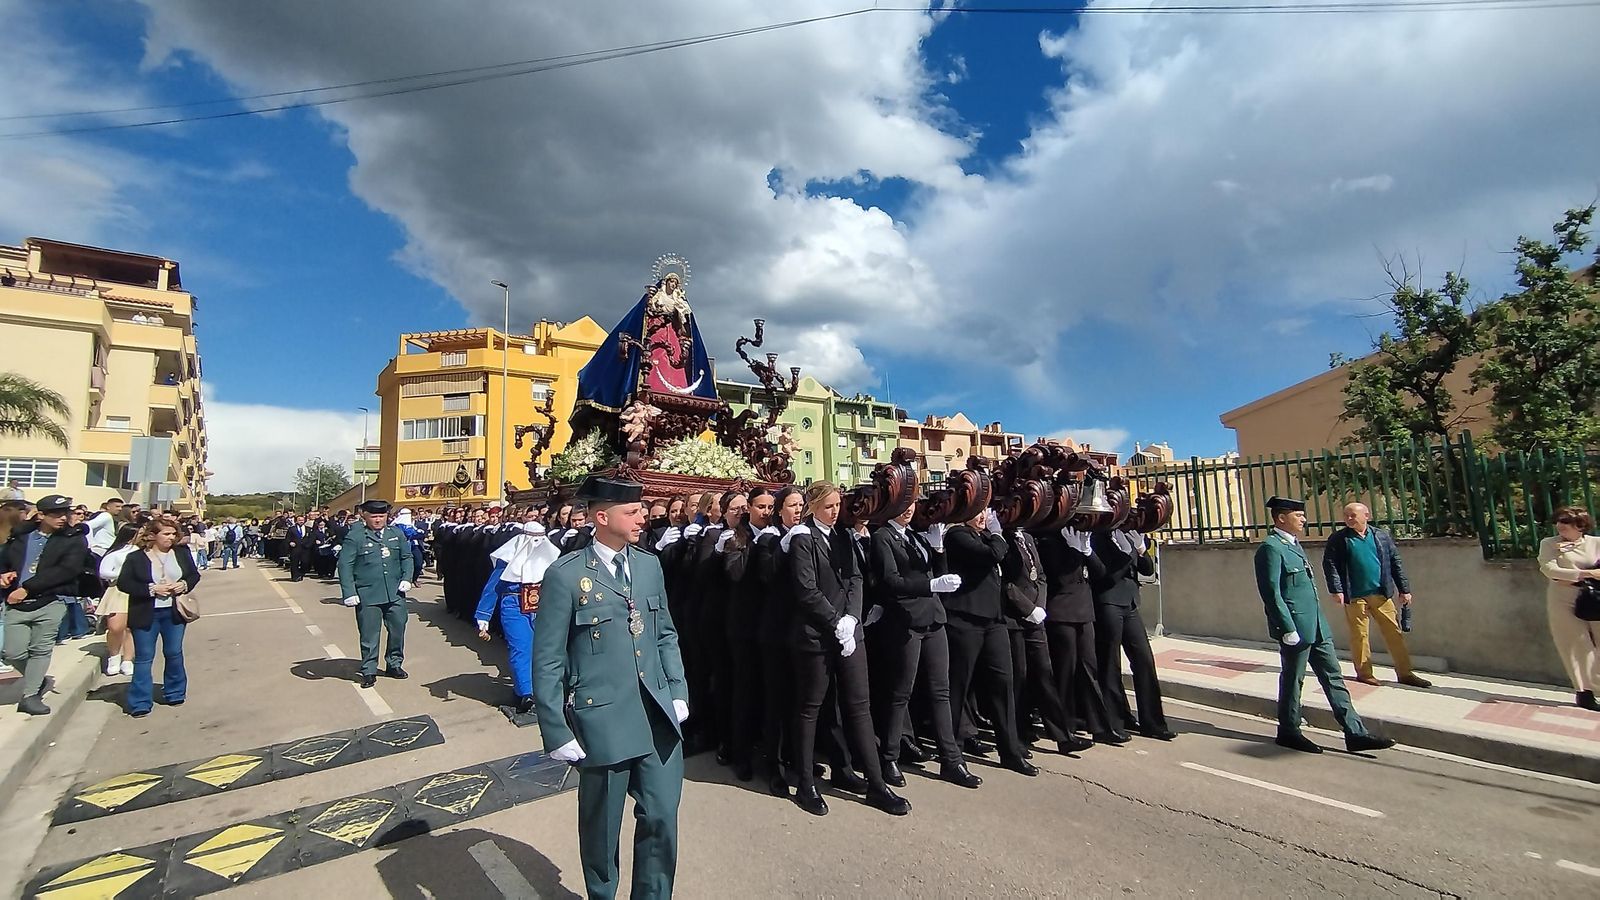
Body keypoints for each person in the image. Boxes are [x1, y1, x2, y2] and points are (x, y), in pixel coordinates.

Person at [532, 475, 690, 900]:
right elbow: (548, 659)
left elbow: (665, 634)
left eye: (641, 511)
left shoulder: (648, 564)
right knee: (601, 830)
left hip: (656, 715)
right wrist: (556, 729)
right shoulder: (565, 576)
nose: (643, 518)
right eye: (633, 512)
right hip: (602, 719)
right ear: (602, 517)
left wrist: (677, 690)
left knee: (661, 818)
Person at [785, 481, 912, 816]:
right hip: (815, 635)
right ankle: (806, 783)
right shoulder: (802, 538)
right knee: (810, 707)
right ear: (812, 506)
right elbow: (806, 589)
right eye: (828, 506)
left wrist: (852, 620)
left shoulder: (842, 535)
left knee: (859, 706)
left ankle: (876, 783)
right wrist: (833, 620)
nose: (835, 511)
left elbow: (855, 578)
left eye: (837, 505)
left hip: (848, 633)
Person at [1254, 496, 1395, 754]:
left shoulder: (1293, 545)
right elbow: (1272, 593)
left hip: (1317, 625)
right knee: (1293, 680)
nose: (1304, 519)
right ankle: (1289, 730)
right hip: (1296, 628)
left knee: (1334, 677)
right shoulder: (1271, 548)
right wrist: (1287, 628)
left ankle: (1355, 732)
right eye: (1298, 515)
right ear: (1282, 518)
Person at [871, 503, 984, 788]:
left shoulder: (917, 536)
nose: (908, 510)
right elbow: (890, 581)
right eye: (902, 504)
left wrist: (939, 552)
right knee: (901, 692)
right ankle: (889, 757)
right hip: (906, 620)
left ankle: (951, 759)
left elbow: (939, 576)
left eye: (912, 504)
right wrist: (931, 586)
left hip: (933, 618)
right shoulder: (883, 536)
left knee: (940, 691)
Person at [942, 507, 1039, 776]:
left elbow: (1011, 566)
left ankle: (1010, 750)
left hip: (994, 620)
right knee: (958, 686)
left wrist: (1001, 536)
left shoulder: (988, 536)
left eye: (985, 511)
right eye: (977, 511)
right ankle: (952, 754)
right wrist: (997, 536)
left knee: (1003, 683)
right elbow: (990, 556)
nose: (982, 517)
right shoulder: (958, 535)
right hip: (966, 618)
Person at [1323, 502, 1431, 688]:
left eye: (1353, 515)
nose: (1349, 519)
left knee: (1394, 633)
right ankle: (1364, 673)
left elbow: (1395, 562)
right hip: (1355, 596)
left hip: (1381, 594)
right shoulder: (1339, 539)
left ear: (1367, 516)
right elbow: (1330, 565)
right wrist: (1336, 590)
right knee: (1359, 635)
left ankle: (1405, 673)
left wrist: (1404, 589)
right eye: (1346, 515)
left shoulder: (1380, 536)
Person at [1, 495, 89, 714]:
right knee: (13, 652)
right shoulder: (21, 536)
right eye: (56, 514)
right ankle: (36, 678)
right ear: (41, 515)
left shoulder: (73, 539)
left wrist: (28, 587)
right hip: (16, 603)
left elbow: (67, 570)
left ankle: (30, 696)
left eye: (65, 513)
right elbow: (4, 560)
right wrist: (3, 574)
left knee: (41, 649)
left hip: (51, 601)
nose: (63, 518)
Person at [1090, 527, 1177, 740]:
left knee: (1144, 660)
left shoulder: (1126, 535)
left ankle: (1153, 722)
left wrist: (1140, 550)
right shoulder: (1097, 537)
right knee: (1110, 663)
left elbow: (1147, 570)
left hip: (1130, 603)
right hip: (1108, 602)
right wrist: (1128, 554)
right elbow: (1106, 577)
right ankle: (1113, 723)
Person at [117, 516, 199, 717]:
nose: (171, 538)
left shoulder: (181, 553)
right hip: (146, 612)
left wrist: (184, 584)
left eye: (173, 534)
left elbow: (193, 574)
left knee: (173, 652)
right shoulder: (136, 557)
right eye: (166, 534)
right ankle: (140, 702)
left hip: (174, 612)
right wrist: (151, 589)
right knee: (144, 657)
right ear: (153, 536)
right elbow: (124, 583)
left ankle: (175, 692)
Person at [476, 520, 561, 714]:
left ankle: (542, 689)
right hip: (514, 605)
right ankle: (526, 693)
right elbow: (493, 588)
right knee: (521, 648)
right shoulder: (508, 559)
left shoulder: (552, 558)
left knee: (545, 650)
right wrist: (484, 617)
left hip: (544, 606)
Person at [338, 499, 416, 689]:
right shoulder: (355, 537)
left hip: (395, 594)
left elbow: (407, 557)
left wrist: (407, 577)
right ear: (365, 516)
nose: (378, 520)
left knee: (398, 630)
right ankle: (369, 670)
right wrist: (349, 591)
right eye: (374, 516)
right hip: (368, 594)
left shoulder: (396, 534)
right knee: (369, 635)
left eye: (382, 516)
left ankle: (394, 663)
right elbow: (345, 565)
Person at [1537, 506, 1600, 711]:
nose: (1560, 526)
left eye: (1565, 523)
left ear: (1580, 526)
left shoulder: (1596, 543)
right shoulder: (1549, 543)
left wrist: (1571, 575)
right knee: (1576, 645)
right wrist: (1587, 574)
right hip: (1563, 599)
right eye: (1558, 522)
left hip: (1595, 597)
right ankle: (1585, 693)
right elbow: (1549, 569)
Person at [97, 523, 140, 676]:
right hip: (118, 590)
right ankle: (114, 657)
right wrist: (123, 574)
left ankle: (128, 659)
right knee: (115, 627)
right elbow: (104, 572)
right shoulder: (115, 553)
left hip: (137, 590)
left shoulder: (142, 552)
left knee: (131, 627)